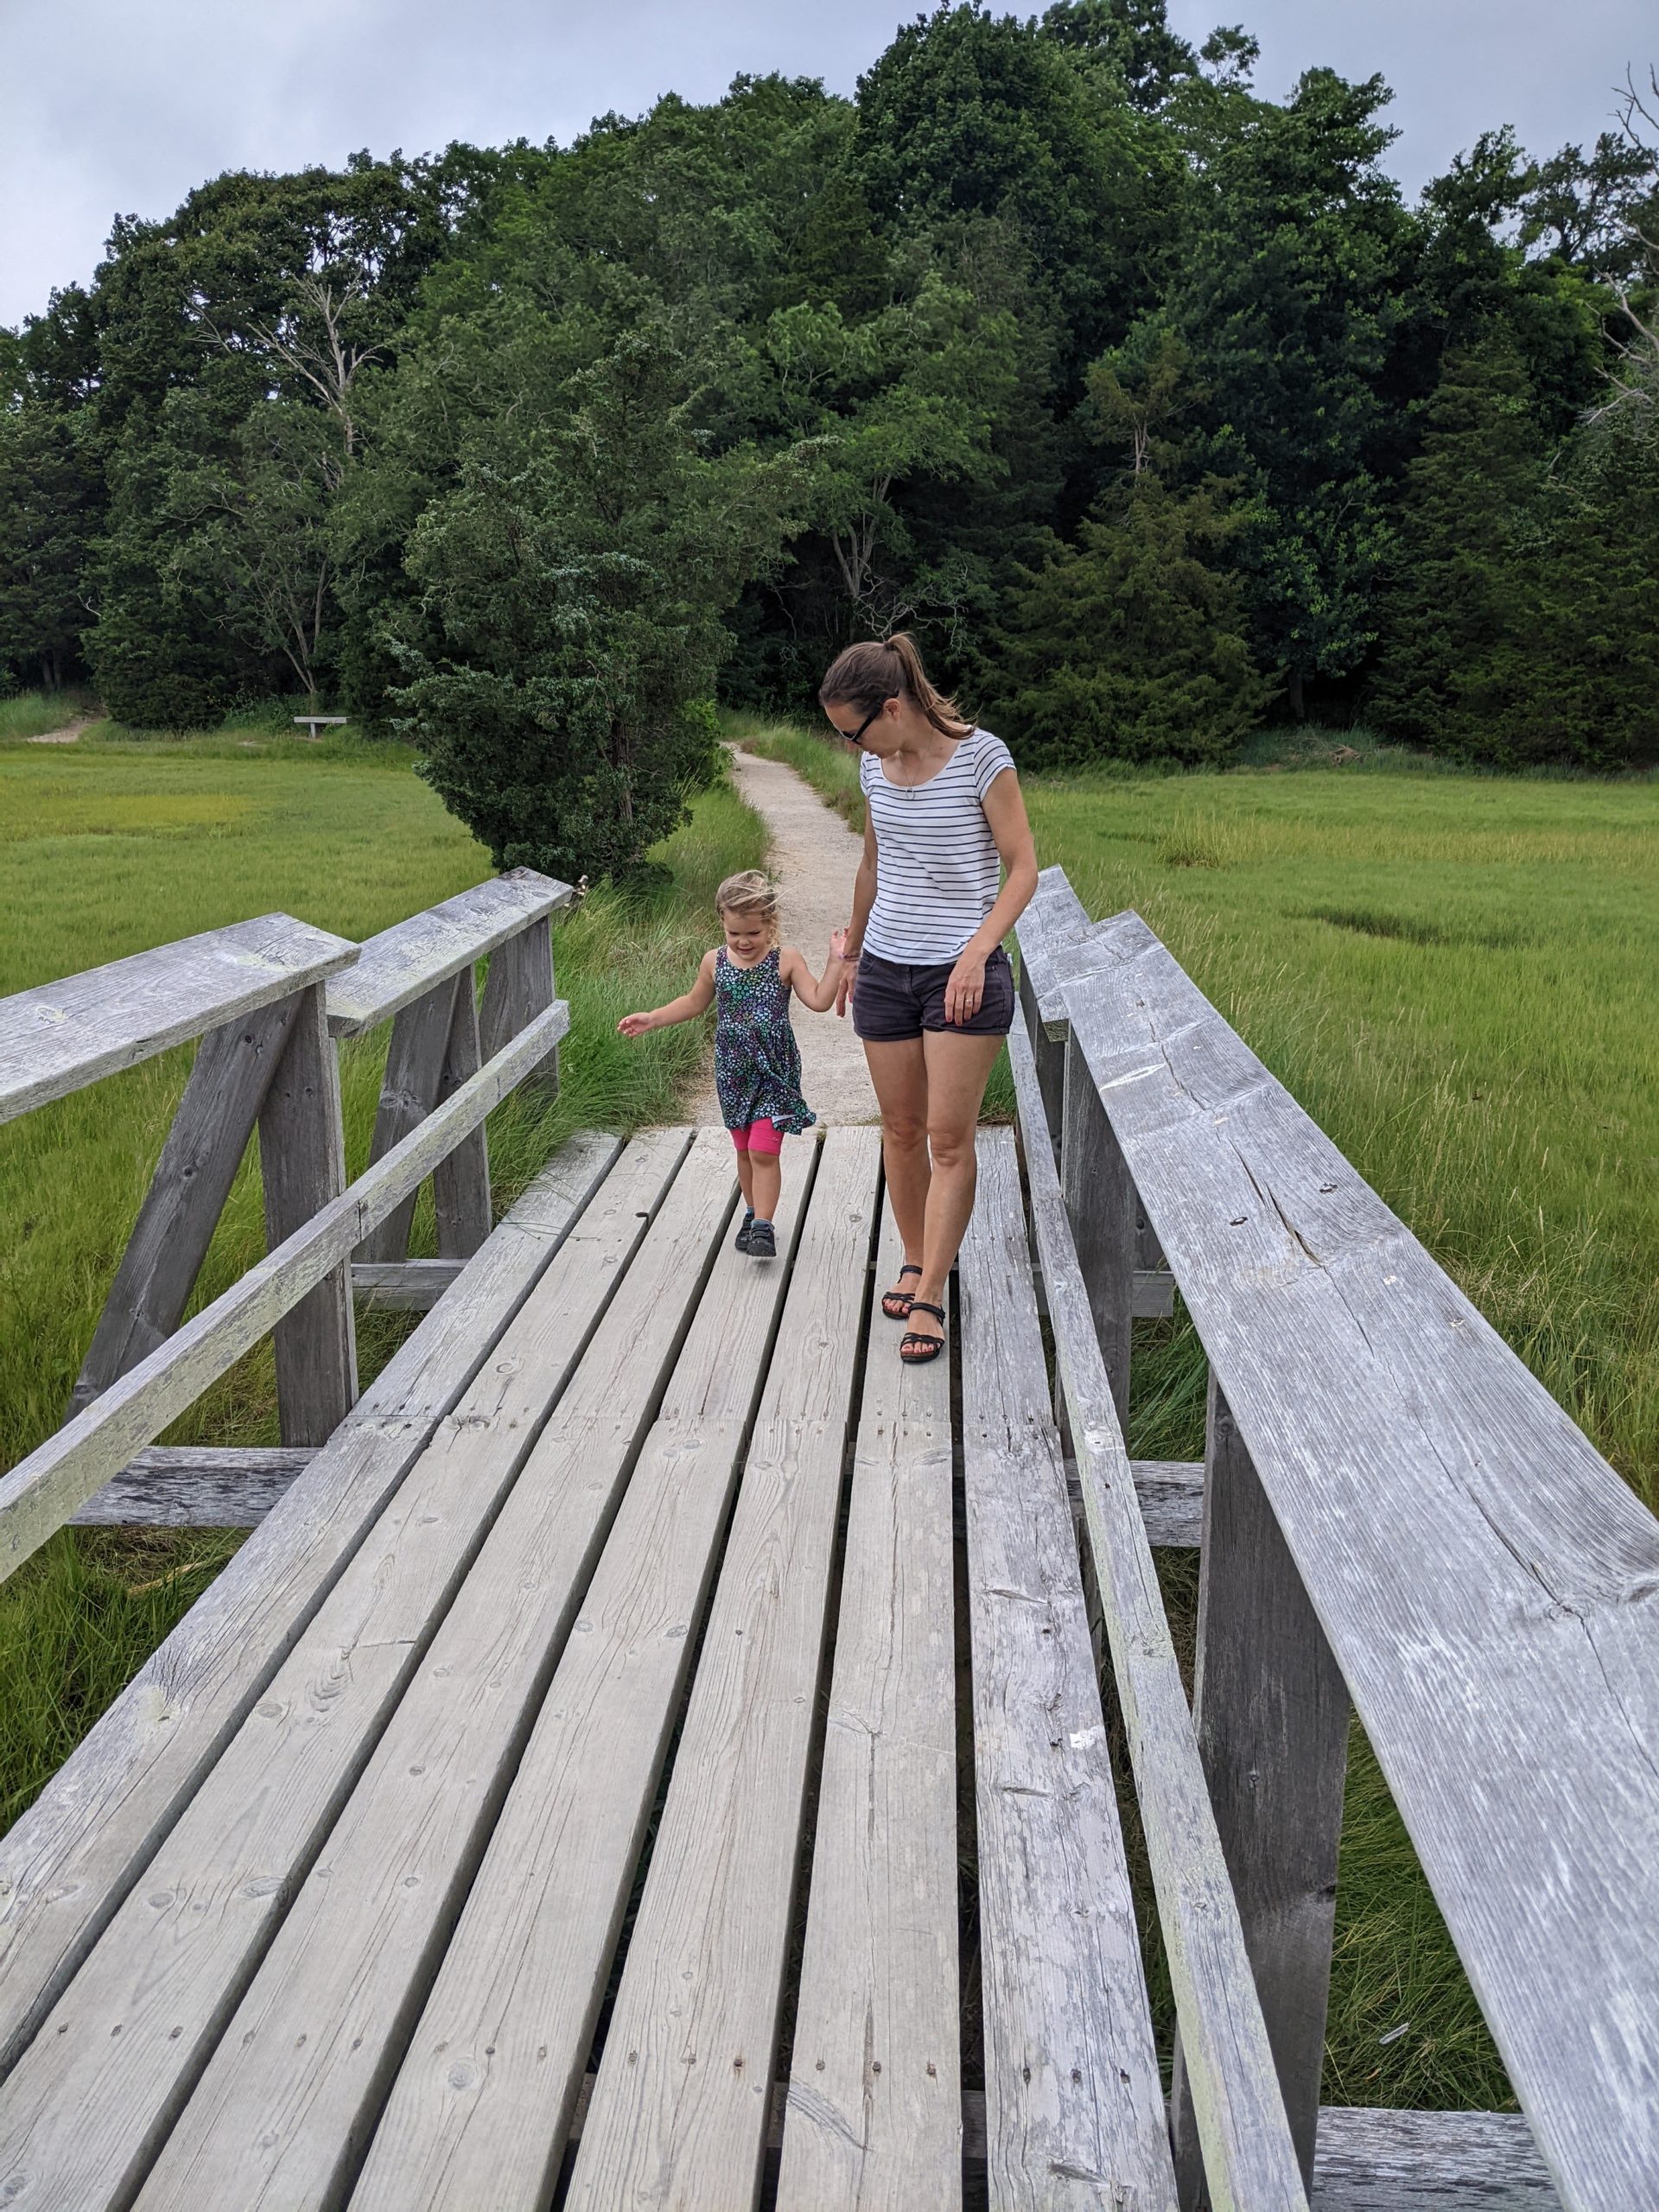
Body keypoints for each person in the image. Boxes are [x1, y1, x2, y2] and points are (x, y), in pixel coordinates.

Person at [821, 634, 1038, 1363]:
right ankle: (914, 1258)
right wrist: (851, 953)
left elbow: (1023, 869)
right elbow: (872, 863)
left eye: (852, 732)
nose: (850, 747)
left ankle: (933, 1295)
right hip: (886, 967)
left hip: (961, 975)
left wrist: (978, 951)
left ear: (891, 708)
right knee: (902, 1129)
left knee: (949, 1140)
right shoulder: (875, 769)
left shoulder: (982, 759)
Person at [618, 870, 846, 1258]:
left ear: (770, 923)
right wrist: (653, 1018)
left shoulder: (785, 960)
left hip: (774, 1073)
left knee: (763, 1151)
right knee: (743, 1150)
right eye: (734, 933)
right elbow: (694, 1002)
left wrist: (836, 961)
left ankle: (763, 1227)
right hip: (732, 1073)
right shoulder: (714, 961)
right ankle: (752, 1211)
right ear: (722, 922)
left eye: (753, 933)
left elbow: (820, 1000)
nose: (743, 941)